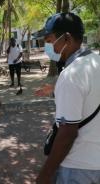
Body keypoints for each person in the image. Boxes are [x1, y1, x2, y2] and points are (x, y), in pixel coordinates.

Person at [36, 13, 100, 184]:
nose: (49, 48)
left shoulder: (71, 75)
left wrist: (45, 175)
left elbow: (67, 133)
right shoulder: (96, 61)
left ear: (67, 38)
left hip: (78, 167)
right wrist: (56, 90)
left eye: (50, 42)